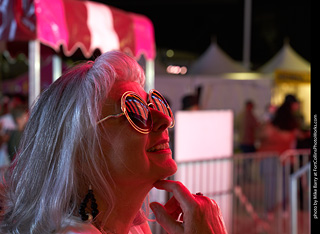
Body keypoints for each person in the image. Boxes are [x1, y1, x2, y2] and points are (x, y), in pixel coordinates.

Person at [0, 51, 227, 234]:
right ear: (81, 153)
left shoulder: (134, 226)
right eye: (135, 111)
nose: (165, 119)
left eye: (153, 105)